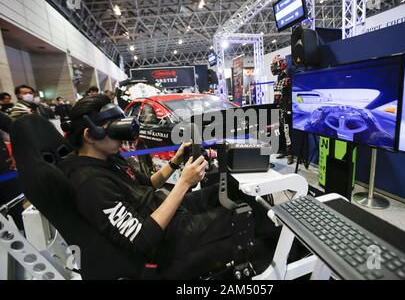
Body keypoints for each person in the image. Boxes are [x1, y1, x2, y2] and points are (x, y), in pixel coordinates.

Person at [59, 95, 256, 278]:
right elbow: (142, 238)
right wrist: (184, 182)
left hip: (166, 211)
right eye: (114, 129)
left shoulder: (109, 158)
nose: (122, 137)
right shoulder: (91, 184)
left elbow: (148, 185)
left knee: (233, 188)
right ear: (90, 135)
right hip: (167, 240)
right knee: (248, 215)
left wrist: (175, 162)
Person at [271, 55, 294, 165]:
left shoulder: (287, 79)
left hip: (285, 109)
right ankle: (284, 151)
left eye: (275, 64)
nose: (273, 67)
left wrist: (288, 109)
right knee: (280, 130)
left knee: (286, 131)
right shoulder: (278, 79)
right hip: (278, 109)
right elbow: (276, 96)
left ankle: (290, 154)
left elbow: (289, 95)